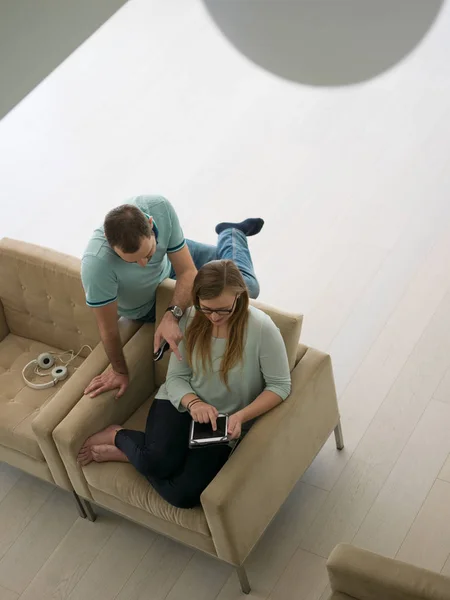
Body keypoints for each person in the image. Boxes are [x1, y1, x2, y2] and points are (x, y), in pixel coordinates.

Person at [78, 260, 291, 509]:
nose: (213, 317)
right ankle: (118, 436)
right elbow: (176, 379)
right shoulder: (190, 318)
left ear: (240, 296)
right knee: (157, 463)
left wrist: (240, 417)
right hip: (179, 402)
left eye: (223, 309)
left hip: (222, 422)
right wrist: (194, 403)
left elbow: (280, 386)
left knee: (183, 495)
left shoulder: (262, 329)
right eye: (206, 308)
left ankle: (129, 454)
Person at [81, 194, 264, 399]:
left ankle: (230, 233)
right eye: (132, 262)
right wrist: (120, 371)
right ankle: (231, 235)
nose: (143, 265)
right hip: (154, 299)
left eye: (147, 253)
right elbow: (108, 329)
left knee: (246, 286)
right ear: (109, 244)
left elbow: (187, 271)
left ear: (151, 224)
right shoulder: (96, 265)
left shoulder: (159, 207)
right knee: (239, 286)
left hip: (175, 258)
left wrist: (172, 316)